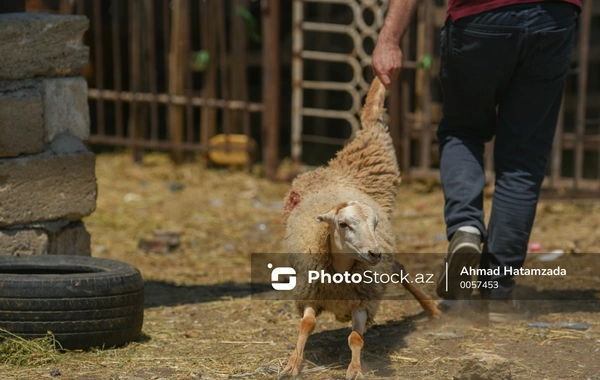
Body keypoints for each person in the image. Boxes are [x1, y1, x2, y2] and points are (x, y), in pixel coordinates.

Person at [372, 0, 581, 321]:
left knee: (462, 131)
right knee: (523, 159)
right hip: (552, 19)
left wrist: (389, 39)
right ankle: (496, 296)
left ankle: (466, 227)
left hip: (478, 19)